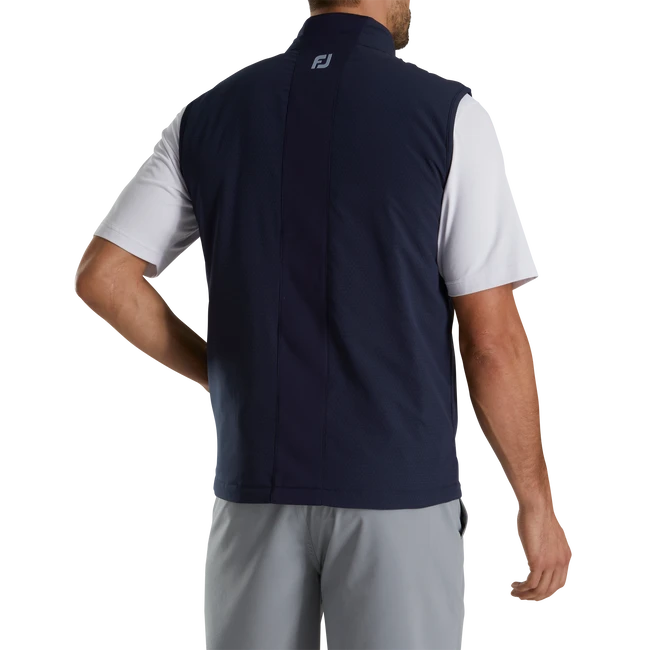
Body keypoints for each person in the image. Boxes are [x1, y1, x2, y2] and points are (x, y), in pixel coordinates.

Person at [72, 0, 573, 648]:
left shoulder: (207, 115)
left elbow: (104, 280)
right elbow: (492, 342)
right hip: (396, 493)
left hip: (252, 489)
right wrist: (537, 503)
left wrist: (223, 374)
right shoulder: (450, 115)